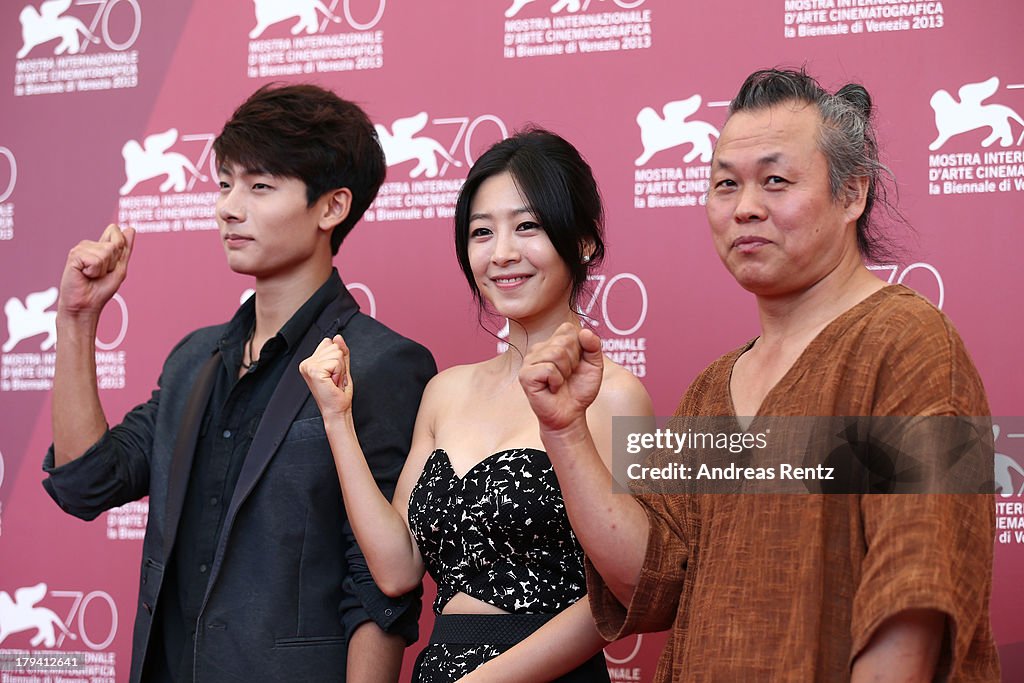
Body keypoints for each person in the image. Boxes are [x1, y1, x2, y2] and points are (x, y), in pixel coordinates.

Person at [519, 68, 999, 680]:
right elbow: (652, 581)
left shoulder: (912, 344)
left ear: (851, 195)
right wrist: (565, 430)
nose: (745, 208)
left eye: (775, 181)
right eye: (725, 184)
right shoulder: (711, 387)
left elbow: (917, 586)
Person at [42, 83, 436, 683]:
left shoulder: (382, 364)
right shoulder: (194, 361)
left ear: (331, 208)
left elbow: (379, 590)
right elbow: (86, 483)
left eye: (260, 186)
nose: (228, 207)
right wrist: (77, 320)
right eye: (225, 183)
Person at [299, 129, 654, 682]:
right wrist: (337, 418)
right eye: (482, 232)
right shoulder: (446, 391)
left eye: (528, 226)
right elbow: (396, 570)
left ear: (583, 241)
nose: (502, 252)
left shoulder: (616, 395)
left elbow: (624, 593)